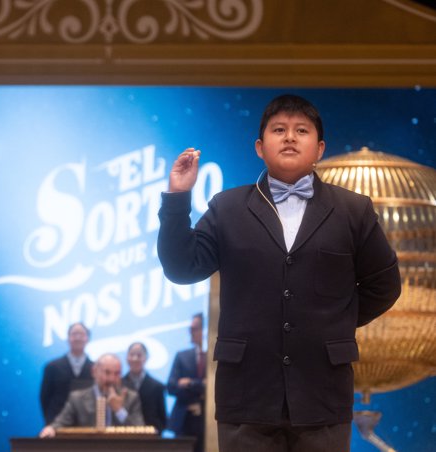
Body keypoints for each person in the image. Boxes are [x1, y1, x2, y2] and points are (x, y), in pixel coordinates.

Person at [157, 94, 401, 452]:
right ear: (260, 147)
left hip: (323, 393)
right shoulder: (228, 208)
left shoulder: (353, 210)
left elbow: (385, 285)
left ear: (319, 148)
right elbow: (181, 268)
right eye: (279, 130)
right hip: (246, 395)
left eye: (301, 130)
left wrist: (334, 322)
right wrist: (177, 198)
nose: (289, 137)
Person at [39, 353, 144, 437]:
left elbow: (141, 430)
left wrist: (119, 410)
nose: (112, 379)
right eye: (107, 373)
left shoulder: (131, 397)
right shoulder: (77, 398)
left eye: (117, 373)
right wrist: (51, 428)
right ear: (94, 372)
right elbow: (60, 423)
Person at [39, 322, 94, 424]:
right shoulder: (52, 367)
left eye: (81, 334)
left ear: (87, 339)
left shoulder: (95, 368)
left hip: (87, 425)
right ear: (68, 338)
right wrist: (50, 422)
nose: (77, 338)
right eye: (74, 334)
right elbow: (45, 397)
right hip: (57, 424)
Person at [167, 313, 206, 451]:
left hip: (208, 422)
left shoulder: (214, 357)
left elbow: (212, 388)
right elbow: (171, 387)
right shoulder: (182, 356)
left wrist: (189, 383)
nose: (191, 332)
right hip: (183, 422)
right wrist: (200, 386)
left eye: (195, 328)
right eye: (190, 328)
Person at [122, 342, 167, 434]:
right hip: (123, 436)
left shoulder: (157, 386)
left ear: (146, 358)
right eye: (131, 355)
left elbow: (163, 419)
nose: (135, 359)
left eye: (139, 355)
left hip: (150, 439)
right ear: (126, 358)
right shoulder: (118, 384)